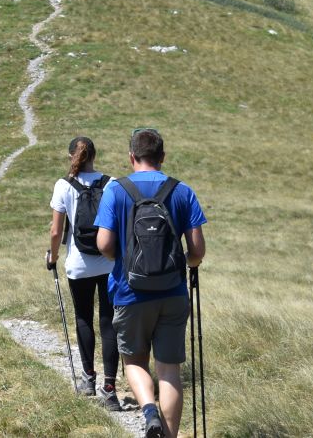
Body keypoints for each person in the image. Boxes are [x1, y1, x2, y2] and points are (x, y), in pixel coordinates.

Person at [95, 128, 206, 438]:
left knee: (133, 361)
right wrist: (186, 263)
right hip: (172, 293)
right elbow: (197, 252)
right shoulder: (182, 191)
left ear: (132, 157)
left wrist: (125, 257)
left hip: (130, 292)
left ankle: (149, 411)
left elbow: (104, 244)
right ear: (162, 157)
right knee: (170, 369)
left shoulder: (116, 190)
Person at [48, 136, 127, 410]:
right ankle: (109, 388)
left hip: (78, 265)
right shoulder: (112, 183)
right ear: (95, 155)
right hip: (109, 262)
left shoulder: (63, 185)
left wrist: (52, 256)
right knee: (109, 322)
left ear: (71, 156)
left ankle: (88, 379)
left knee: (83, 318)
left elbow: (57, 231)